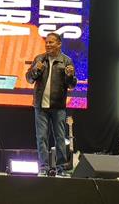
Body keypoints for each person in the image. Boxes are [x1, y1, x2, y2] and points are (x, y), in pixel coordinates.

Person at [26, 32, 77, 176]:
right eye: (46, 42)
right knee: (41, 137)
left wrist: (70, 76)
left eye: (51, 42)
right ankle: (43, 167)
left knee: (60, 138)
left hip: (58, 106)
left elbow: (71, 85)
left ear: (59, 44)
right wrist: (36, 70)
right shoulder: (39, 59)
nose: (47, 45)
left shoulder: (66, 61)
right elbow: (29, 79)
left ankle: (61, 168)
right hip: (40, 106)